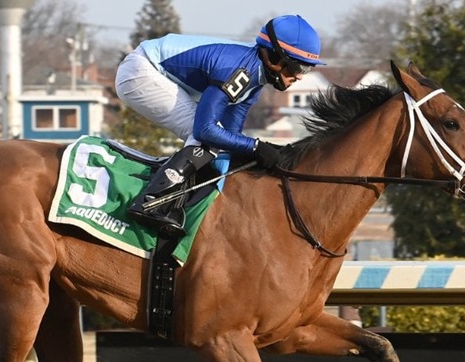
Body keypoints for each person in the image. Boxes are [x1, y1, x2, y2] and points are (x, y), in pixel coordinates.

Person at [115, 14, 325, 236]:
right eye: (298, 68)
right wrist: (257, 147)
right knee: (204, 138)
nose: (300, 77)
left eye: (307, 70)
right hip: (140, 71)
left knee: (221, 142)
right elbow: (205, 130)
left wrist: (256, 154)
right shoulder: (241, 72)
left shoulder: (255, 80)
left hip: (151, 68)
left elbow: (232, 136)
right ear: (276, 57)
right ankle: (150, 202)